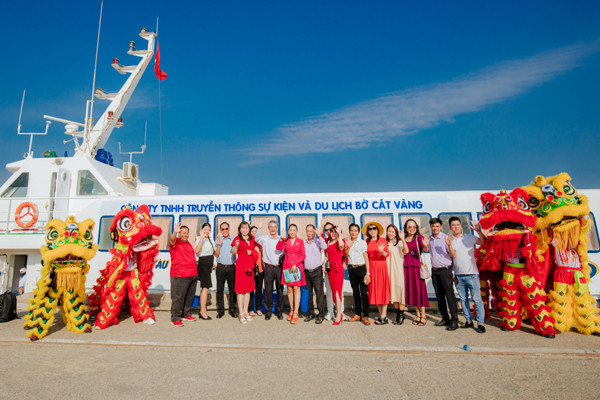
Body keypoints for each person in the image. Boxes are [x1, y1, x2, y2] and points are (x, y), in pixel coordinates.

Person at [447, 217, 486, 333]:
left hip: (472, 274)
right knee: (463, 299)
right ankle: (469, 321)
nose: (456, 227)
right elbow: (453, 256)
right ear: (450, 227)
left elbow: (482, 242)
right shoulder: (450, 240)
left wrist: (478, 231)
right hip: (459, 274)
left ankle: (480, 323)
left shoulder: (469, 237)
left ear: (461, 226)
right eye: (453, 225)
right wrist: (449, 245)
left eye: (458, 224)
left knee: (477, 299)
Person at [428, 218, 459, 331]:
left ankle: (454, 320)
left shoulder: (446, 238)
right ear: (430, 227)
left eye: (437, 226)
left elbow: (453, 255)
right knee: (439, 296)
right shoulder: (430, 239)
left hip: (445, 270)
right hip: (435, 271)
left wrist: (450, 245)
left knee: (449, 296)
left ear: (441, 226)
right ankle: (445, 318)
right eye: (433, 226)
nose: (435, 228)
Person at [401, 219, 430, 326]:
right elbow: (404, 252)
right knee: (412, 292)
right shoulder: (404, 239)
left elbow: (425, 250)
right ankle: (417, 314)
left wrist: (426, 245)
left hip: (417, 268)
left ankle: (423, 315)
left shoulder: (419, 238)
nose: (412, 229)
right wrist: (402, 240)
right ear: (406, 228)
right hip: (407, 269)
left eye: (414, 227)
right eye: (410, 227)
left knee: (420, 292)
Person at [169, 223, 198, 326]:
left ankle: (185, 314)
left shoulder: (188, 244)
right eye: (182, 233)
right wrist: (174, 232)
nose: (185, 235)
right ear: (179, 233)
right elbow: (172, 239)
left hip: (192, 275)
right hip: (180, 275)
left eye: (187, 233)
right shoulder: (175, 242)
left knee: (188, 296)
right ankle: (175, 317)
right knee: (178, 297)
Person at [276, 224, 306, 324]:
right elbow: (278, 247)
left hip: (296, 268)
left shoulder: (300, 241)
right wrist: (281, 238)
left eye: (294, 230)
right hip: (287, 266)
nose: (292, 232)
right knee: (289, 289)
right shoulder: (285, 241)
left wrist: (296, 264)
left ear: (297, 231)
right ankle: (291, 310)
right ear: (288, 231)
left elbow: (303, 255)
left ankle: (296, 312)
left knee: (296, 288)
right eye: (290, 230)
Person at [232, 221, 259, 324]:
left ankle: (246, 311)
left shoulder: (252, 239)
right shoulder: (237, 239)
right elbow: (234, 252)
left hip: (250, 266)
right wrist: (236, 246)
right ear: (240, 229)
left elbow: (256, 249)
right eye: (243, 228)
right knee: (240, 290)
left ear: (249, 229)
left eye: (246, 228)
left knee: (248, 290)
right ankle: (241, 313)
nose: (245, 230)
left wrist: (252, 251)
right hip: (241, 266)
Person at [255, 220, 284, 320]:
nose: (273, 229)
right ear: (268, 228)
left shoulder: (282, 239)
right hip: (268, 267)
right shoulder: (264, 239)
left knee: (280, 289)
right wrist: (259, 228)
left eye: (274, 227)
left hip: (279, 267)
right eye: (271, 227)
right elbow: (256, 238)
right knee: (268, 290)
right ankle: (268, 311)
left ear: (277, 228)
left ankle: (280, 311)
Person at [364, 222, 390, 325]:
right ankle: (381, 315)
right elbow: (366, 257)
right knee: (376, 292)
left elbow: (386, 254)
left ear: (378, 230)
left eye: (374, 228)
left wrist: (381, 251)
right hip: (372, 268)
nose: (372, 230)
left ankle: (384, 316)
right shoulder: (367, 241)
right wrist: (368, 272)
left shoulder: (382, 240)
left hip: (381, 267)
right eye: (370, 229)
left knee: (382, 291)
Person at [345, 223, 371, 325]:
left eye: (355, 231)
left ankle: (366, 315)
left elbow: (366, 257)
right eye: (352, 230)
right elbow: (346, 255)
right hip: (351, 269)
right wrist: (349, 246)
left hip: (361, 268)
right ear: (349, 231)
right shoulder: (348, 242)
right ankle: (357, 314)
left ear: (358, 232)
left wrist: (367, 273)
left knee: (364, 293)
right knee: (355, 293)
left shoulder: (362, 242)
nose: (353, 232)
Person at [303, 224, 327, 324]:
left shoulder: (318, 242)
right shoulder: (303, 243)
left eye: (311, 231)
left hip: (317, 271)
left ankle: (321, 314)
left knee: (319, 294)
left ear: (314, 232)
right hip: (306, 272)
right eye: (308, 231)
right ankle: (310, 313)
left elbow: (325, 246)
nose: (309, 233)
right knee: (308, 294)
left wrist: (320, 236)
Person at [324, 222, 346, 325]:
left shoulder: (339, 241)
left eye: (335, 232)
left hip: (338, 269)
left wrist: (340, 234)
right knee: (333, 292)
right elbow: (327, 256)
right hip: (330, 269)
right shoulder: (329, 242)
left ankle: (338, 314)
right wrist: (324, 264)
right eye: (331, 232)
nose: (333, 234)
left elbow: (341, 246)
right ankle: (338, 313)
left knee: (337, 292)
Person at [214, 222, 237, 319]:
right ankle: (220, 310)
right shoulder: (218, 240)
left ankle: (232, 310)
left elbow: (235, 253)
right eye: (222, 229)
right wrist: (219, 245)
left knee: (232, 290)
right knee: (220, 289)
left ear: (229, 229)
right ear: (220, 230)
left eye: (226, 228)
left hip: (231, 267)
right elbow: (216, 255)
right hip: (220, 267)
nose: (224, 230)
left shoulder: (234, 240)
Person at [386, 224, 408, 325]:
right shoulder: (385, 243)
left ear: (396, 234)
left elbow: (406, 251)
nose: (391, 234)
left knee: (400, 293)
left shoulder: (398, 243)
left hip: (398, 271)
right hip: (389, 271)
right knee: (393, 294)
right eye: (389, 231)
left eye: (393, 232)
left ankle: (401, 315)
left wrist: (403, 240)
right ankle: (398, 314)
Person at [194, 223, 215, 320]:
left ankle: (202, 310)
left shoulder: (211, 240)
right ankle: (203, 311)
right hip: (203, 265)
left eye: (208, 230)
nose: (207, 231)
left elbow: (213, 253)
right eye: (205, 229)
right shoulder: (199, 239)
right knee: (205, 288)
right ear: (202, 230)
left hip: (208, 266)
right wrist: (201, 238)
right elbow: (197, 251)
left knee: (205, 288)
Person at [249, 226, 264, 317]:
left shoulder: (261, 242)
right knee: (251, 290)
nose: (254, 232)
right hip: (251, 269)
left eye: (256, 231)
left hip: (260, 268)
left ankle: (258, 308)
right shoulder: (249, 242)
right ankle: (251, 309)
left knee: (259, 290)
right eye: (253, 231)